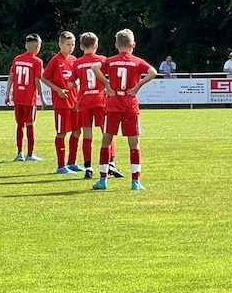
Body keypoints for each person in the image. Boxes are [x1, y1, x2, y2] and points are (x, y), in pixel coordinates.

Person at [93, 29, 156, 190]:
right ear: (133, 45)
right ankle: (135, 182)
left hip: (113, 104)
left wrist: (107, 84)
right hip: (130, 105)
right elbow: (153, 72)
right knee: (134, 144)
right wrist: (138, 86)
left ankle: (103, 180)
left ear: (116, 45)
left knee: (106, 141)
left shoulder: (110, 61)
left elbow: (95, 67)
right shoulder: (137, 61)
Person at [76, 33, 119, 179]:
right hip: (100, 100)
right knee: (106, 131)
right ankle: (111, 163)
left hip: (84, 101)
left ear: (81, 46)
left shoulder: (77, 63)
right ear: (96, 45)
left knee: (87, 134)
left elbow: (70, 84)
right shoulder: (102, 60)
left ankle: (88, 167)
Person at [41, 32, 81, 175]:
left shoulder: (74, 60)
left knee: (77, 131)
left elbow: (78, 79)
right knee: (62, 132)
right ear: (60, 44)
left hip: (74, 102)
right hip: (62, 103)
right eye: (68, 44)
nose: (71, 47)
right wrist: (58, 90)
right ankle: (61, 166)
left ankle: (72, 162)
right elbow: (44, 78)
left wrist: (78, 95)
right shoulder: (56, 60)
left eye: (73, 44)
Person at [5, 34, 45, 161]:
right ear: (37, 47)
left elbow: (11, 77)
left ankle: (19, 153)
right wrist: (42, 97)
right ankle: (30, 154)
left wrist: (7, 94)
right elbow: (37, 80)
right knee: (30, 125)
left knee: (20, 124)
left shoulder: (17, 59)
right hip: (29, 98)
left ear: (26, 45)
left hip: (18, 97)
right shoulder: (37, 61)